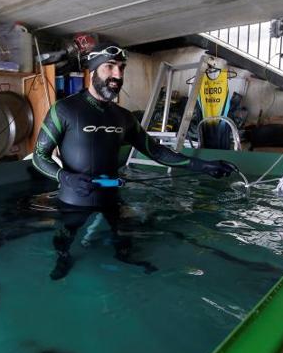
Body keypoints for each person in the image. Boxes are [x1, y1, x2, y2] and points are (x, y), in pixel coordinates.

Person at [32, 42, 238, 280]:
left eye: (121, 68)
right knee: (65, 238)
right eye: (110, 66)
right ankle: (63, 258)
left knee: (123, 240)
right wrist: (64, 177)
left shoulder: (124, 117)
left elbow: (157, 152)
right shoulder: (64, 110)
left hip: (111, 196)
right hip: (73, 200)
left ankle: (125, 259)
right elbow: (39, 156)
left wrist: (203, 165)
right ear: (93, 70)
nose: (118, 75)